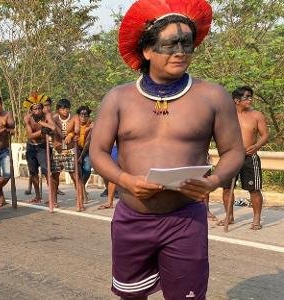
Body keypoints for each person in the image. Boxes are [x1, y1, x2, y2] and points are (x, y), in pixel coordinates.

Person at [89, 0, 245, 298]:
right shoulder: (118, 98)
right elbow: (97, 151)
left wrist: (211, 182)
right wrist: (126, 181)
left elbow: (234, 151)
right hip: (132, 219)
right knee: (130, 296)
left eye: (187, 44)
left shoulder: (212, 96)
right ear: (147, 50)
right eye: (170, 44)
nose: (181, 52)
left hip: (185, 219)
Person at [219, 86, 269, 230]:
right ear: (236, 100)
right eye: (247, 97)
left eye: (251, 97)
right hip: (230, 157)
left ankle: (256, 219)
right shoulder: (226, 115)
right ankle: (229, 216)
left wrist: (256, 146)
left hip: (249, 157)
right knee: (227, 189)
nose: (250, 100)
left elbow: (265, 135)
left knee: (254, 189)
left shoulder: (256, 115)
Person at [22, 93, 56, 204]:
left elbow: (53, 127)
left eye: (39, 108)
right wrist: (42, 131)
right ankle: (37, 196)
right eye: (35, 109)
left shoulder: (47, 115)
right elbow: (30, 135)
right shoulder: (27, 118)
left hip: (42, 146)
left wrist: (45, 126)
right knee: (33, 172)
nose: (37, 110)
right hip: (31, 146)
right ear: (31, 110)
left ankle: (52, 198)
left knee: (47, 171)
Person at [50, 99, 78, 208]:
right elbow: (51, 132)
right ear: (58, 109)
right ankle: (54, 200)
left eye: (67, 108)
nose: (65, 110)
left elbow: (77, 130)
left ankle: (79, 200)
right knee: (55, 175)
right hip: (58, 150)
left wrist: (71, 135)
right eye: (62, 108)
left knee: (75, 175)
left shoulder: (73, 118)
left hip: (70, 150)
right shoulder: (54, 119)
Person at [75, 105, 93, 206]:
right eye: (81, 114)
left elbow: (87, 142)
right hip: (76, 149)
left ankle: (83, 188)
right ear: (78, 115)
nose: (83, 117)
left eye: (85, 115)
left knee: (87, 169)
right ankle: (83, 193)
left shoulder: (91, 125)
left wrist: (81, 156)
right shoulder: (75, 123)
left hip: (86, 150)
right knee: (79, 172)